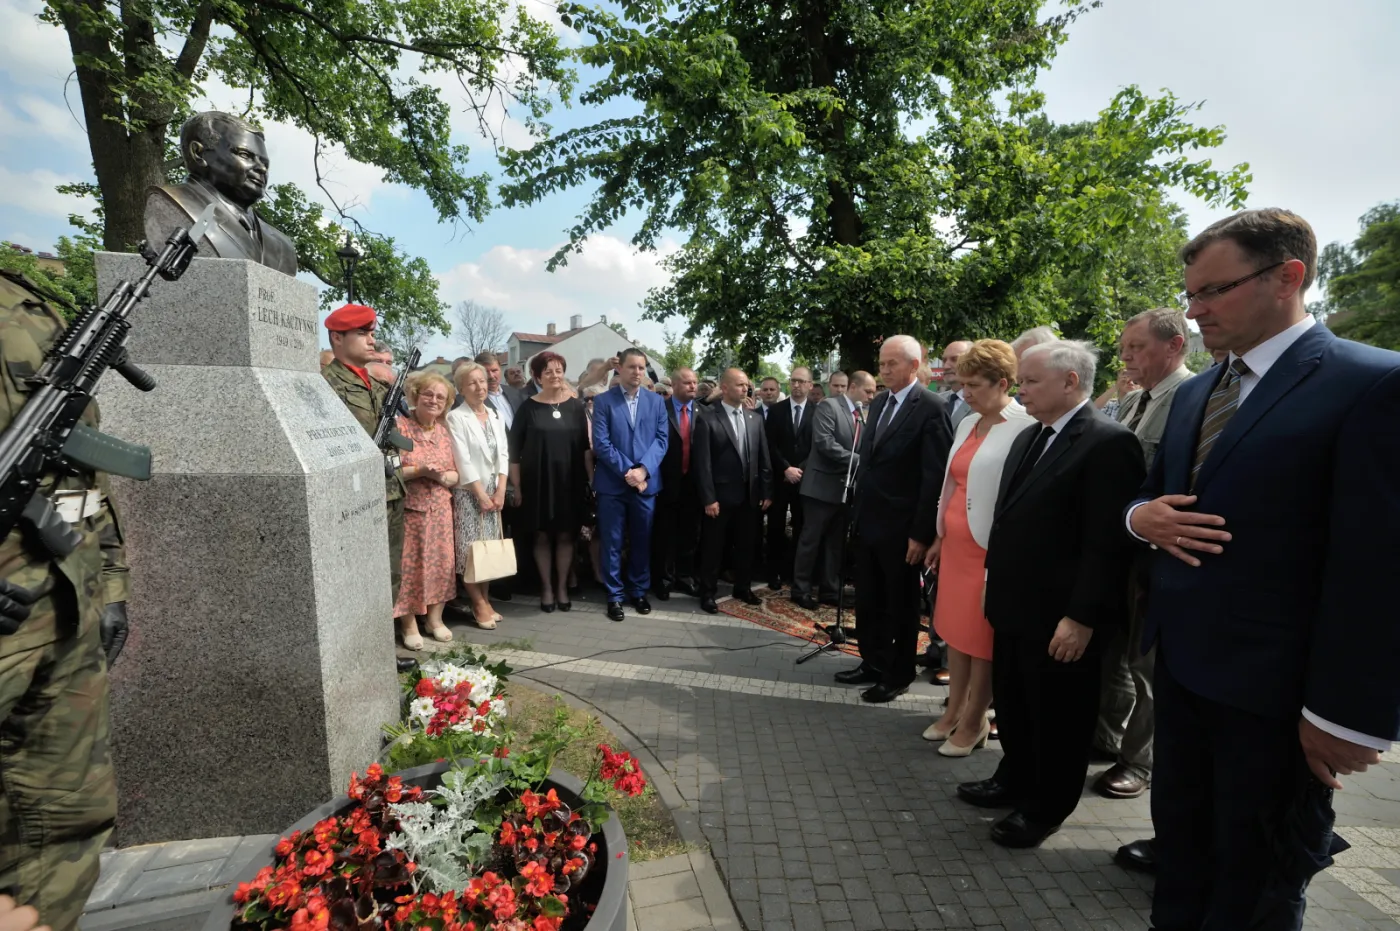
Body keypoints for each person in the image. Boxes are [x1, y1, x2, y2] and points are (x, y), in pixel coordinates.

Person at [1128, 209, 1400, 930]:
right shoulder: (1195, 392)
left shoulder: (1371, 384)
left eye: (1214, 290)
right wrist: (1138, 518)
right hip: (1183, 676)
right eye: (1190, 294)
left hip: (1280, 706)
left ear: (1289, 277)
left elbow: (1377, 565)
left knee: (1255, 891)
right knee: (1182, 865)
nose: (1194, 310)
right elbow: (1153, 494)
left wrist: (1346, 714)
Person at [956, 340, 1144, 849]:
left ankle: (1045, 808)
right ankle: (1013, 778)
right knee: (1016, 702)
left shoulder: (1108, 442)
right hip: (1016, 606)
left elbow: (1107, 544)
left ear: (1070, 382)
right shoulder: (1031, 436)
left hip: (1062, 616)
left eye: (1031, 381)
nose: (1021, 390)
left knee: (1059, 715)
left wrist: (1081, 616)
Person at [0, 272, 132, 931]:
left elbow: (75, 472)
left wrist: (108, 579)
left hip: (62, 605)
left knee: (62, 832)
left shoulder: (21, 298)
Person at [1094, 308, 1193, 807]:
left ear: (1174, 346)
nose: (1126, 356)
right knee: (1114, 652)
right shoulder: (1139, 399)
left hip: (1155, 557)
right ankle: (1106, 739)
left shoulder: (1188, 398)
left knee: (1147, 663)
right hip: (1121, 550)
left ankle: (1138, 761)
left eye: (1136, 347)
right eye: (1124, 347)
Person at [922, 341, 1035, 756]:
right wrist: (938, 536)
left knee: (981, 639)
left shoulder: (1024, 425)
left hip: (988, 550)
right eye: (962, 383)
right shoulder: (967, 422)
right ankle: (953, 712)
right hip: (955, 544)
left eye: (973, 385)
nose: (964, 392)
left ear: (1002, 383)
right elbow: (951, 485)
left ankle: (975, 722)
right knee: (954, 631)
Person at [835, 335, 952, 703]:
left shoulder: (931, 407)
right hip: (868, 522)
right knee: (868, 598)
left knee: (899, 604)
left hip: (903, 530)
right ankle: (872, 661)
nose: (883, 371)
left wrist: (921, 533)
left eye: (891, 364)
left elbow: (934, 477)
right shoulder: (881, 401)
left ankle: (898, 672)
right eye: (881, 364)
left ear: (914, 365)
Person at [321, 302, 414, 673]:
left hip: (390, 491)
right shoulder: (326, 385)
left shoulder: (377, 384)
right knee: (354, 580)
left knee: (389, 576)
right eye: (363, 333)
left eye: (372, 332)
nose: (371, 339)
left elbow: (397, 438)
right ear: (337, 337)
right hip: (354, 496)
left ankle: (379, 651)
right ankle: (350, 655)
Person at [509, 351, 592, 611]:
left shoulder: (577, 406)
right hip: (538, 482)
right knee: (542, 537)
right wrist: (517, 486)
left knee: (567, 536)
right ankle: (546, 588)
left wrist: (591, 482)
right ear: (537, 376)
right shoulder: (528, 407)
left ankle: (562, 588)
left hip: (570, 482)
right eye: (548, 372)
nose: (555, 375)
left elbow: (586, 449)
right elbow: (514, 452)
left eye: (558, 370)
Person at [592, 348, 669, 622]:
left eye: (641, 367)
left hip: (645, 485)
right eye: (632, 367)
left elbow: (661, 441)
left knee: (641, 539)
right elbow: (601, 443)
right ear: (620, 369)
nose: (637, 372)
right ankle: (614, 596)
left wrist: (644, 471)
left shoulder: (656, 402)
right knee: (612, 542)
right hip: (613, 484)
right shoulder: (603, 401)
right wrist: (630, 471)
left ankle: (638, 591)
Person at [791, 370, 876, 610]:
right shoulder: (829, 407)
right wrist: (861, 460)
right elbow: (825, 443)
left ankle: (830, 589)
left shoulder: (861, 413)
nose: (871, 396)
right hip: (820, 488)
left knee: (835, 543)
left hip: (845, 490)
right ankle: (801, 589)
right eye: (867, 391)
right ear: (853, 387)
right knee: (811, 541)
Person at [694, 368, 773, 614]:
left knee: (747, 545)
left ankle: (743, 587)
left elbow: (763, 458)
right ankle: (707, 593)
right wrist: (709, 498)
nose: (745, 389)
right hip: (719, 499)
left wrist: (767, 491)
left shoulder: (755, 419)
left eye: (747, 385)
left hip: (749, 497)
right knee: (713, 548)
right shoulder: (707, 418)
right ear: (725, 388)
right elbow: (702, 464)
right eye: (739, 385)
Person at [392, 373, 458, 649]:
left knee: (442, 565)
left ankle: (434, 619)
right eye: (428, 394)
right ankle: (408, 624)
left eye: (440, 397)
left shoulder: (443, 432)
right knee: (410, 567)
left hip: (441, 509)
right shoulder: (401, 427)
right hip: (412, 510)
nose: (433, 400)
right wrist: (421, 471)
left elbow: (454, 472)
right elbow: (393, 469)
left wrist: (444, 478)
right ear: (416, 396)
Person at [446, 362, 510, 630]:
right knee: (470, 551)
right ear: (461, 388)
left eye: (482, 381)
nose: (479, 386)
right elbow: (462, 459)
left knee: (489, 548)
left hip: (495, 492)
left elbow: (503, 454)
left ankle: (484, 598)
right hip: (470, 493)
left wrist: (501, 490)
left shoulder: (495, 415)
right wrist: (481, 494)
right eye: (472, 382)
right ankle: (477, 602)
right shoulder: (456, 417)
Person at [764, 366, 815, 589]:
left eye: (802, 381)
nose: (796, 385)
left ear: (810, 385)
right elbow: (768, 444)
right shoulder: (776, 410)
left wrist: (799, 470)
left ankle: (795, 573)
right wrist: (785, 468)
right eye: (793, 381)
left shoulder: (818, 411)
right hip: (779, 479)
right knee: (775, 527)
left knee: (801, 527)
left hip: (805, 480)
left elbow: (818, 446)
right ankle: (773, 572)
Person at [653, 368, 702, 600]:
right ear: (674, 384)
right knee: (665, 534)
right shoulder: (659, 409)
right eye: (687, 382)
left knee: (689, 534)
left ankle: (685, 577)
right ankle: (664, 579)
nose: (692, 386)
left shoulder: (704, 412)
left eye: (695, 382)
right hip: (665, 483)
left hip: (693, 485)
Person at [940, 340, 975, 429]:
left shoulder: (983, 403)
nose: (946, 366)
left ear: (973, 362)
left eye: (955, 359)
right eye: (944, 360)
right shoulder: (936, 401)